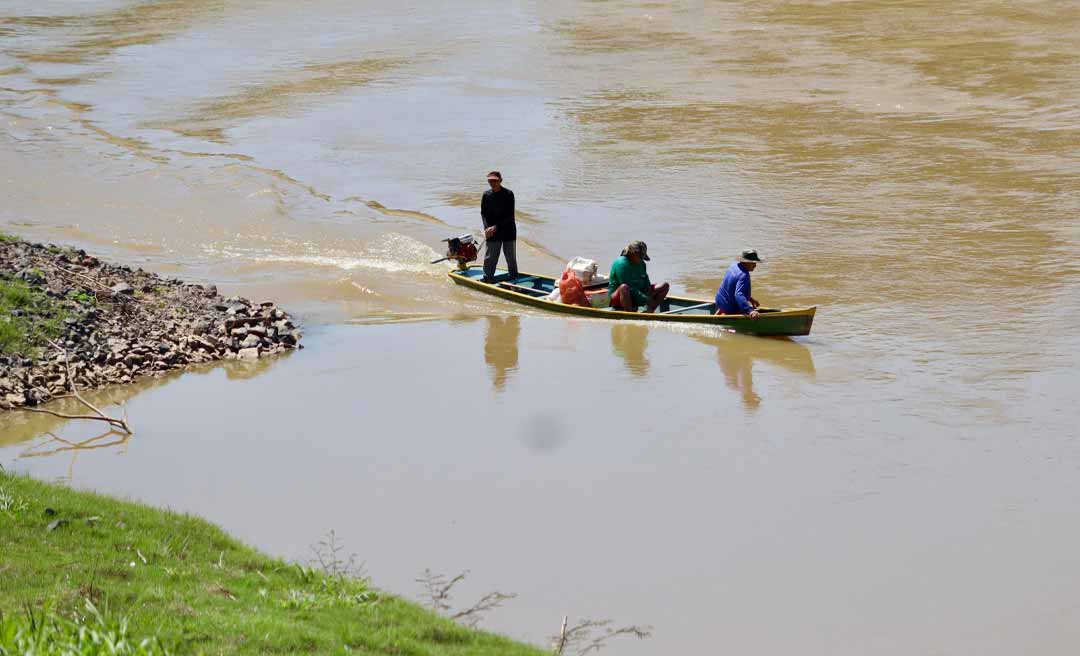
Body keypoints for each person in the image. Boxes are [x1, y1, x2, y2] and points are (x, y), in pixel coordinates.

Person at [608, 240, 669, 313]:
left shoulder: (642, 264)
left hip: (639, 294)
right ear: (632, 253)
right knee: (624, 287)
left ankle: (650, 310)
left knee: (665, 285)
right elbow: (630, 287)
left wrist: (648, 291)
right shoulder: (621, 264)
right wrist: (646, 299)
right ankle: (630, 314)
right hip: (621, 299)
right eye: (640, 257)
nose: (641, 259)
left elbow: (646, 280)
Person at [480, 171, 517, 282]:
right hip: (492, 231)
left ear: (500, 180)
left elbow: (510, 215)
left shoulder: (509, 194)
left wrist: (496, 227)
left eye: (495, 181)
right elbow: (483, 213)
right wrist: (486, 228)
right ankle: (487, 278)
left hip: (508, 230)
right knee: (490, 257)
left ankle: (514, 277)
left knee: (510, 257)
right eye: (490, 181)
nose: (492, 183)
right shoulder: (486, 195)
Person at [715, 249, 763, 318]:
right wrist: (750, 311)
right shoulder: (744, 275)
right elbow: (739, 294)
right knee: (743, 309)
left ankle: (720, 311)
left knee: (732, 301)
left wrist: (751, 300)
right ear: (745, 262)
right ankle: (726, 313)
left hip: (719, 301)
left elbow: (731, 287)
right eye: (753, 263)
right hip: (728, 306)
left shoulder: (734, 265)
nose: (755, 265)